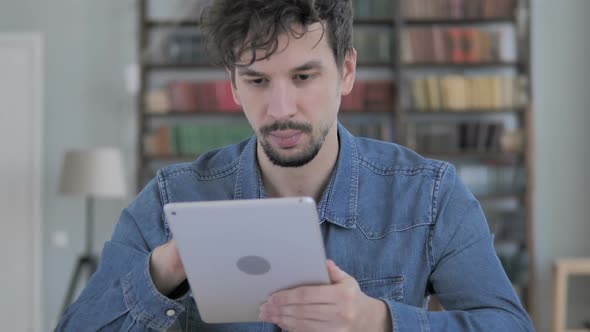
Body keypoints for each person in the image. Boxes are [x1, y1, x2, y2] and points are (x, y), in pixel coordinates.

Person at [56, 0, 535, 331]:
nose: (280, 108)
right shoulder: (169, 199)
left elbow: (509, 325)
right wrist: (164, 269)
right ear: (234, 85)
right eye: (258, 80)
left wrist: (381, 322)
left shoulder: (431, 195)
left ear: (347, 71)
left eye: (303, 76)